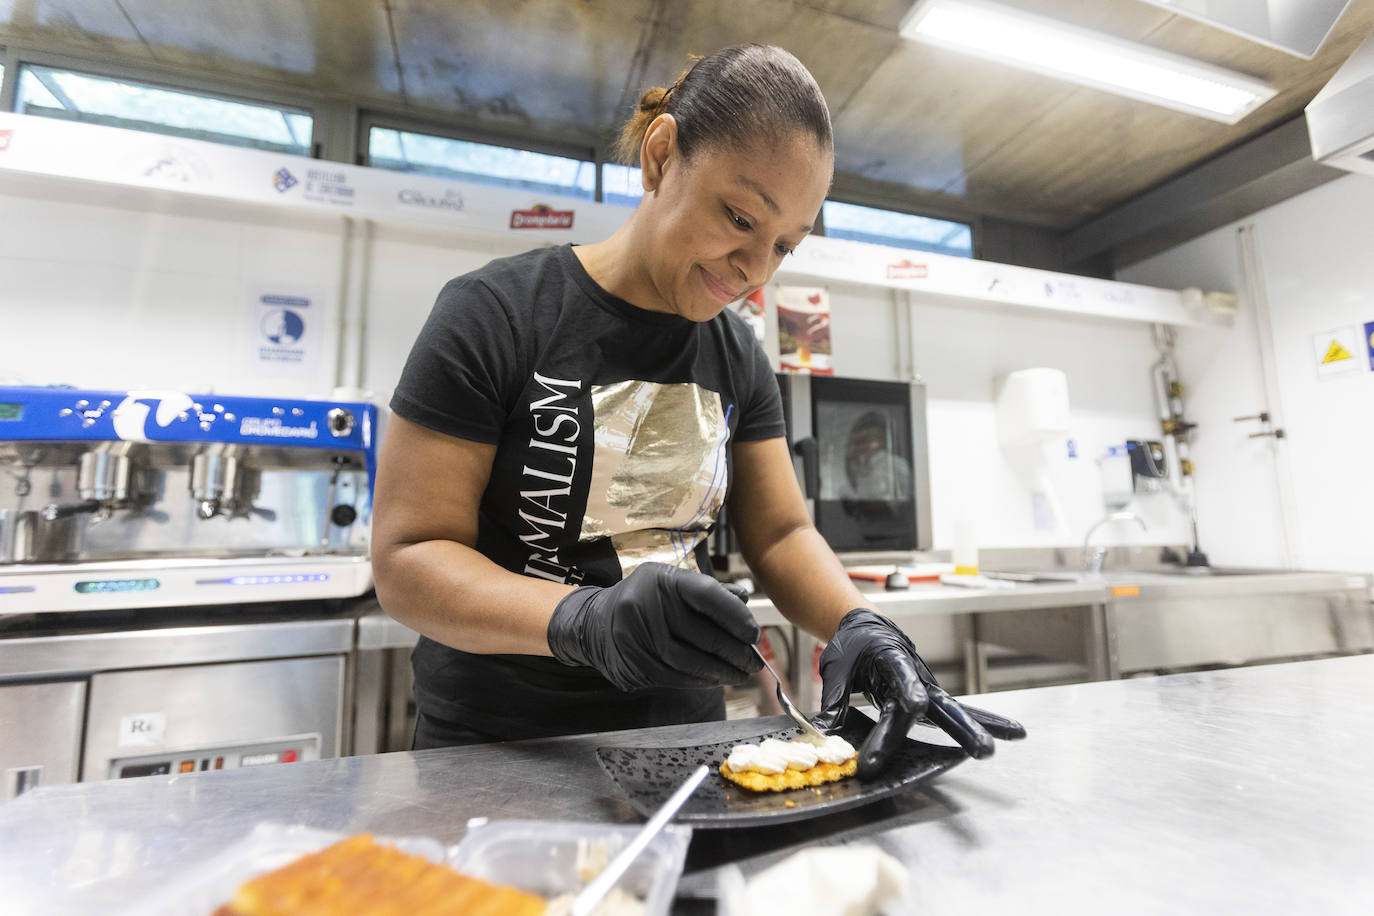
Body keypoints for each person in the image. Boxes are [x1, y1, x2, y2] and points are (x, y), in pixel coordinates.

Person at [372, 44, 1023, 777]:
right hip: (498, 751)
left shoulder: (738, 355)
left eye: (783, 245)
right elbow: (407, 558)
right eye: (740, 216)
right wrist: (578, 621)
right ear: (660, 157)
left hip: (682, 750)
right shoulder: (496, 314)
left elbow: (779, 533)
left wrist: (861, 625)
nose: (754, 269)